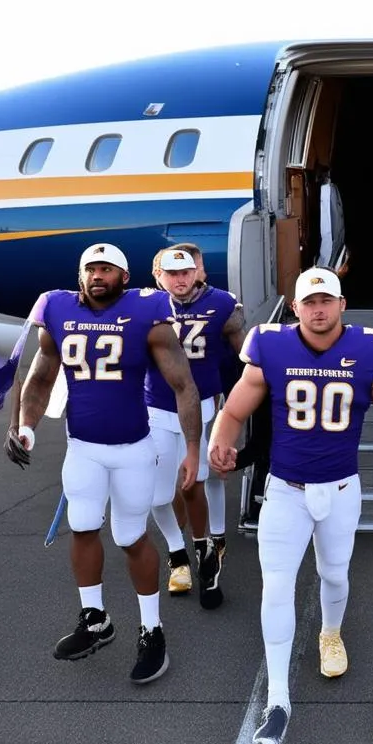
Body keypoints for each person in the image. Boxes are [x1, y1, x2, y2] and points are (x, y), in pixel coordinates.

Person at [208, 267, 373, 744]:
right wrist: (223, 440)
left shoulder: (371, 349)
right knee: (276, 586)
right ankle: (279, 699)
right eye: (309, 301)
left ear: (341, 303)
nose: (317, 309)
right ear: (296, 305)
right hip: (285, 491)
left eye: (326, 300)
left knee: (334, 574)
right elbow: (237, 407)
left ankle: (331, 631)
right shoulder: (270, 345)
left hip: (340, 488)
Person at [4, 243, 200, 684]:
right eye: (90, 268)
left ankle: (153, 629)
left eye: (107, 268)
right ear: (80, 276)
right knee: (84, 525)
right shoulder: (56, 310)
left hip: (133, 448)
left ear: (124, 277)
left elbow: (183, 385)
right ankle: (95, 618)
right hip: (84, 448)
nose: (97, 275)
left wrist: (191, 447)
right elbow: (41, 375)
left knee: (131, 536)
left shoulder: (148, 311)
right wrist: (27, 425)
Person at [145, 247, 245, 607]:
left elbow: (246, 358)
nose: (180, 280)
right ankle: (177, 552)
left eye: (186, 271)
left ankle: (207, 546)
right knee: (157, 495)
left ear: (197, 271)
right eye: (172, 274)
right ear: (158, 276)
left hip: (204, 407)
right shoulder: (145, 306)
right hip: (155, 407)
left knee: (197, 482)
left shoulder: (222, 304)